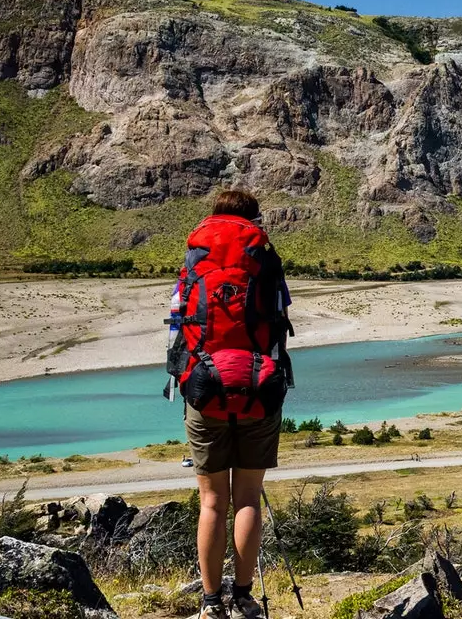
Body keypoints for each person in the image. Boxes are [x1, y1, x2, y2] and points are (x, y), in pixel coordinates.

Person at [183, 189, 290, 619]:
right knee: (248, 497)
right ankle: (244, 597)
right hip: (259, 387)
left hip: (204, 388)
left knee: (211, 502)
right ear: (254, 218)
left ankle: (211, 604)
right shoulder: (264, 256)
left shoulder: (195, 257)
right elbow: (281, 321)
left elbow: (180, 325)